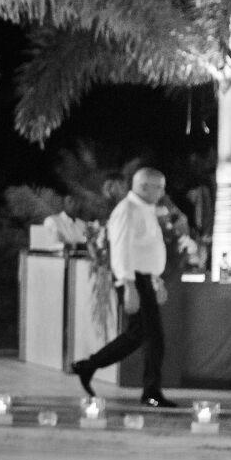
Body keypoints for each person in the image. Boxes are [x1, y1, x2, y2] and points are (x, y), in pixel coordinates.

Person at [71, 168, 177, 408]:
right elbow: (121, 250)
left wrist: (155, 280)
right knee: (153, 337)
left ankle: (88, 366)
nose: (162, 192)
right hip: (133, 280)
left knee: (137, 335)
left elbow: (145, 249)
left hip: (143, 278)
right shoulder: (127, 211)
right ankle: (151, 391)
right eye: (158, 187)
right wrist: (128, 286)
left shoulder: (144, 210)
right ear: (143, 186)